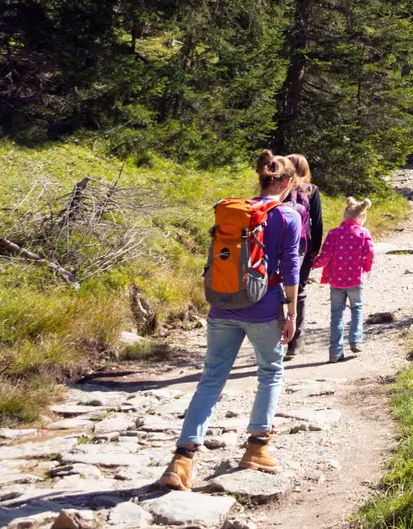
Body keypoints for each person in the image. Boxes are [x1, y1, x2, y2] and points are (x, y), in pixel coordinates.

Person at [158, 151, 302, 489]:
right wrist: (292, 313)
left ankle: (182, 459)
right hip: (263, 309)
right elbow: (291, 268)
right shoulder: (288, 216)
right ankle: (257, 447)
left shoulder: (233, 210)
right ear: (290, 182)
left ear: (261, 178)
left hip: (222, 306)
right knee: (269, 372)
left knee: (210, 380)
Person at [312, 198, 375, 362]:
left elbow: (326, 256)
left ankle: (335, 352)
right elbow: (369, 253)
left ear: (345, 215)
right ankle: (355, 340)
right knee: (357, 308)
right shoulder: (363, 233)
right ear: (361, 218)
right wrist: (366, 268)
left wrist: (313, 264)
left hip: (336, 281)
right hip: (355, 279)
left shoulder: (334, 233)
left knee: (336, 315)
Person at [283, 154, 324, 359]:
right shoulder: (311, 189)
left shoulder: (281, 187)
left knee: (274, 289)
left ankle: (274, 340)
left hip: (278, 246)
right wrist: (315, 250)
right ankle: (295, 341)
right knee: (299, 291)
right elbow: (317, 222)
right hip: (302, 247)